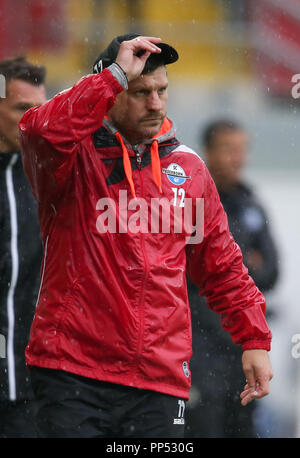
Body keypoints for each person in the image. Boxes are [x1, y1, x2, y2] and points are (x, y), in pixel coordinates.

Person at [19, 34, 273, 439]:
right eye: (139, 92)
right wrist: (112, 76)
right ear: (113, 93)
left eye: (162, 91)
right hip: (72, 374)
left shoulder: (189, 169)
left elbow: (222, 266)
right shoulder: (70, 159)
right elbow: (37, 131)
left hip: (159, 380)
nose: (155, 103)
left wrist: (254, 339)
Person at [185, 120, 279, 438]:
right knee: (202, 427)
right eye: (228, 149)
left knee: (244, 427)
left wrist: (229, 265)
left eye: (242, 150)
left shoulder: (251, 203)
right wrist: (243, 262)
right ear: (208, 153)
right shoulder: (191, 203)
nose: (237, 158)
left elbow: (273, 271)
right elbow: (192, 271)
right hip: (200, 345)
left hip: (241, 348)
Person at [0, 56, 47, 437]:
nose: (32, 121)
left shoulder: (52, 178)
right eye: (21, 109)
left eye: (39, 110)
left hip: (37, 386)